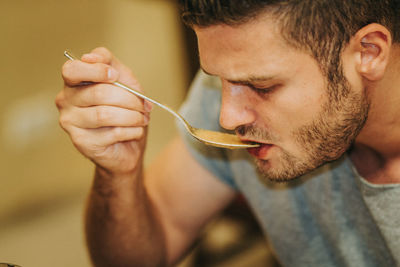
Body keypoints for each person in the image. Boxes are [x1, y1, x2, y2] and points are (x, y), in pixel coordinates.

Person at [56, 0, 400, 266]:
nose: (226, 117)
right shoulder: (232, 80)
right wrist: (119, 172)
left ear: (369, 52)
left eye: (262, 86)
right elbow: (142, 257)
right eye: (217, 78)